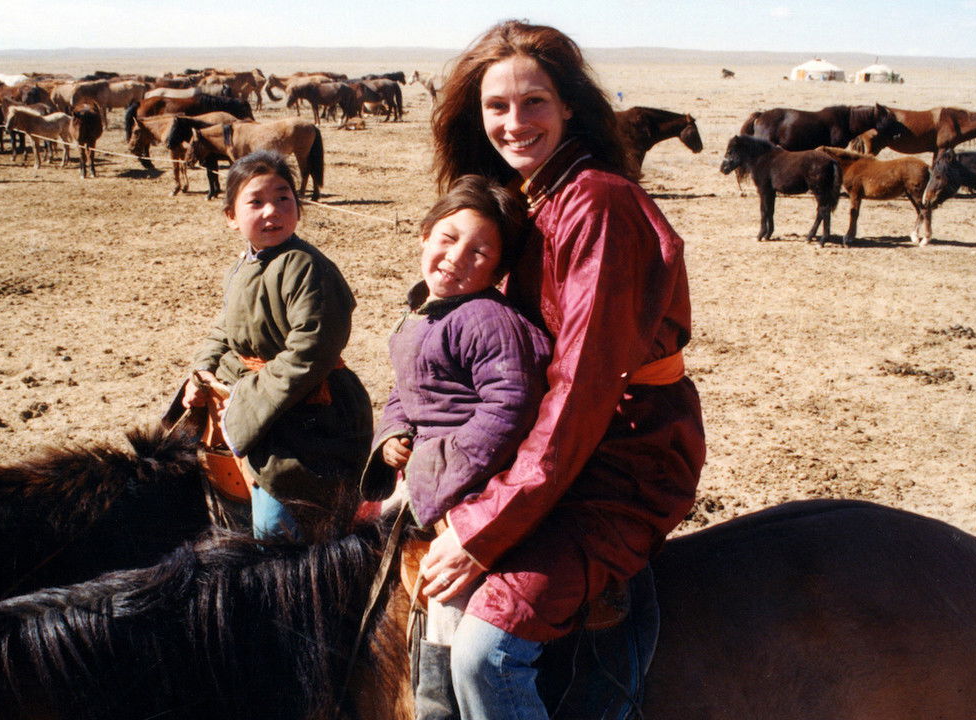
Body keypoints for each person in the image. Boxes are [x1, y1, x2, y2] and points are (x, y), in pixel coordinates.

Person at [419, 20, 707, 720]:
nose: (515, 123)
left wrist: (484, 528)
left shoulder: (598, 204)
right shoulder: (528, 199)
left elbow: (582, 387)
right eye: (497, 107)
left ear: (571, 104)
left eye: (534, 102)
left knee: (488, 651)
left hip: (623, 452)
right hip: (551, 444)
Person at [361, 176, 552, 718]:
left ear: (498, 269)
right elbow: (406, 388)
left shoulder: (488, 320)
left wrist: (434, 467)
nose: (455, 258)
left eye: (479, 252)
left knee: (447, 594)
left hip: (469, 486)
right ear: (424, 235)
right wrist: (392, 435)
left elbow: (508, 408)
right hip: (423, 471)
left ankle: (439, 704)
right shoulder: (425, 306)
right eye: (447, 238)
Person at [181, 150, 374, 541]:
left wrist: (245, 400)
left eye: (284, 198)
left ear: (298, 209)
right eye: (256, 201)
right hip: (261, 402)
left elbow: (312, 350)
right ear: (231, 217)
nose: (272, 211)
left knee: (281, 525)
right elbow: (226, 326)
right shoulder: (243, 266)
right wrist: (201, 371)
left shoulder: (307, 267)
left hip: (312, 414)